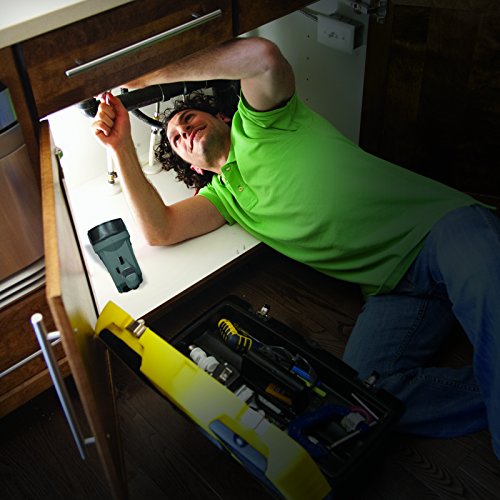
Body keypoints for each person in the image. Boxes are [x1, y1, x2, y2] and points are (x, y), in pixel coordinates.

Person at [92, 37, 500, 459]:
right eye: (176, 138)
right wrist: (120, 146)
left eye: (189, 118)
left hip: (442, 229)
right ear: (192, 166)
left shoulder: (264, 124)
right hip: (393, 288)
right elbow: (159, 230)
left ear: (222, 117)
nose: (183, 131)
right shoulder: (223, 199)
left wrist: (148, 74)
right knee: (364, 394)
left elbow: (261, 58)